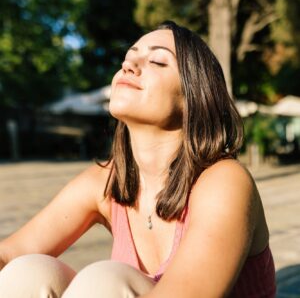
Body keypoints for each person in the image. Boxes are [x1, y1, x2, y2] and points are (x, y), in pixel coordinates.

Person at [0, 21, 276, 297]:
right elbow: (10, 253)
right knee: (27, 272)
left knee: (104, 283)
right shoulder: (106, 181)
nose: (128, 66)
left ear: (194, 96)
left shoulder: (224, 181)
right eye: (128, 58)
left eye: (157, 61)